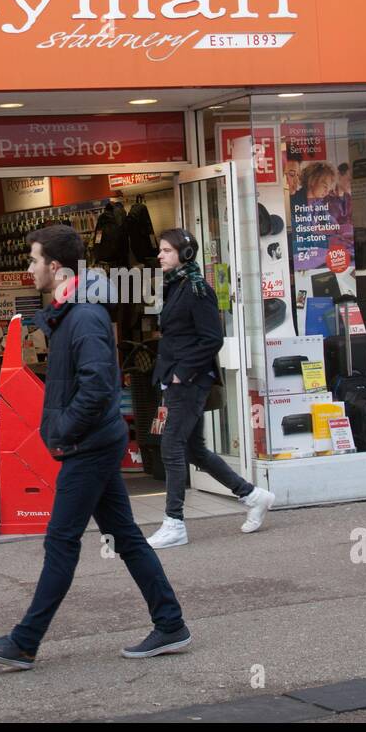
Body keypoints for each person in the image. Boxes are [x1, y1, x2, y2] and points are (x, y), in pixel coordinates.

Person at [0, 224, 191, 669]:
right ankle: (170, 624)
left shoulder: (84, 316)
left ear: (55, 267)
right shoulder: (71, 313)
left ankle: (25, 642)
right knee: (126, 537)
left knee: (62, 540)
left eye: (33, 261)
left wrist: (63, 431)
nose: (28, 269)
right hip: (94, 442)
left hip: (89, 446)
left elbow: (98, 387)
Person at [147, 228, 276, 549]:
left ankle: (174, 522)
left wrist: (182, 374)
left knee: (172, 446)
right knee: (194, 450)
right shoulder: (177, 285)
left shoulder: (197, 289)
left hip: (189, 381)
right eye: (160, 250)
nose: (160, 255)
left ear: (185, 254)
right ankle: (254, 495)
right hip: (177, 379)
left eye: (166, 250)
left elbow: (212, 338)